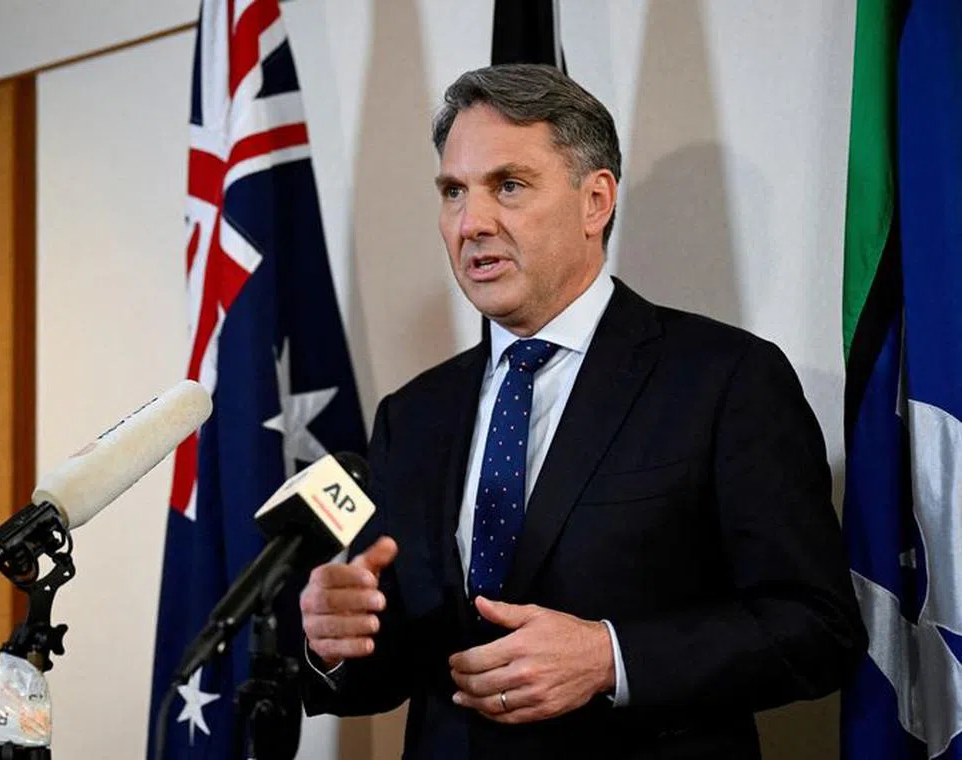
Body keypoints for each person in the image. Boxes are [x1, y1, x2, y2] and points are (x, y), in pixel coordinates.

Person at [298, 63, 865, 759]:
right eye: (453, 192)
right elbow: (395, 664)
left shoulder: (725, 380)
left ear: (595, 201)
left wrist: (611, 658)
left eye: (509, 185)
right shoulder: (411, 416)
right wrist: (336, 642)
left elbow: (817, 627)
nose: (472, 223)